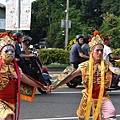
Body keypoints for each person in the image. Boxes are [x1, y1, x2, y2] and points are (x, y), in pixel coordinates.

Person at [47, 30, 120, 120]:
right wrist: (55, 86)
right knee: (82, 117)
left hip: (103, 97)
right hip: (88, 98)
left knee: (111, 113)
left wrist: (117, 71)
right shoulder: (84, 66)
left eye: (102, 50)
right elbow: (70, 76)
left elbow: (114, 70)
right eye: (97, 50)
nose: (100, 53)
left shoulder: (107, 64)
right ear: (91, 52)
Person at [0, 35, 47, 120]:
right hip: (0, 101)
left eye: (12, 51)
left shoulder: (16, 69)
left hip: (12, 102)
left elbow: (28, 80)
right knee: (7, 117)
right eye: (6, 51)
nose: (10, 53)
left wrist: (42, 86)